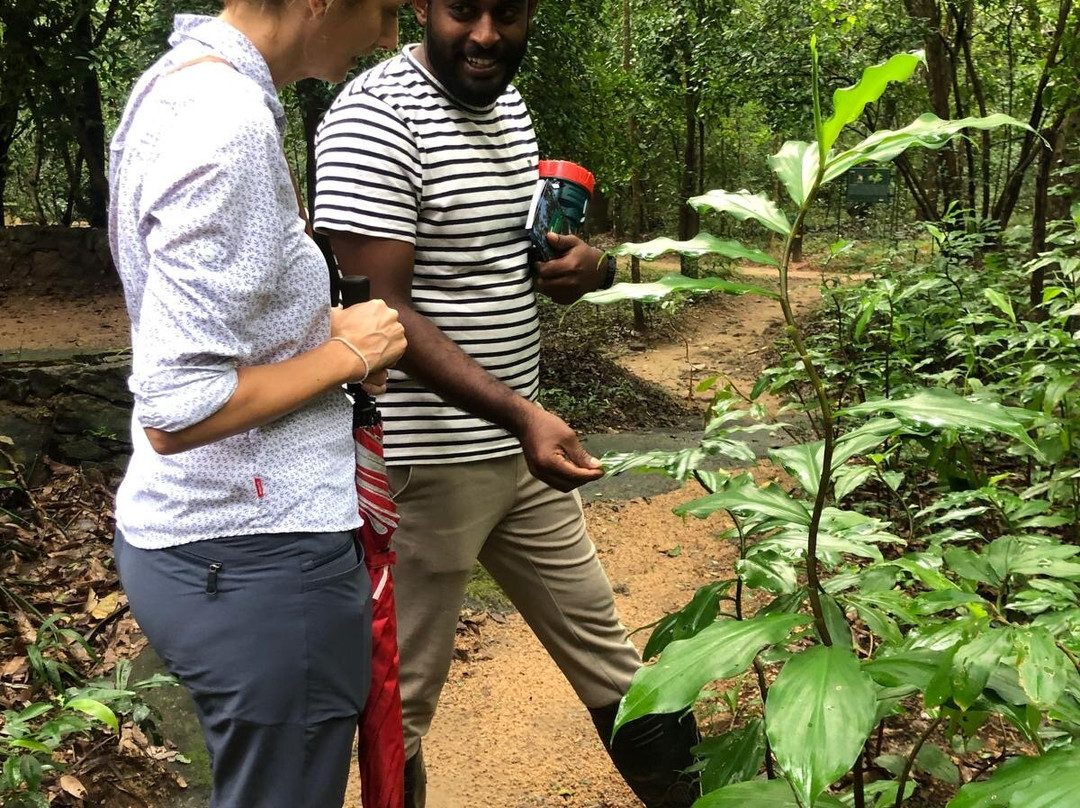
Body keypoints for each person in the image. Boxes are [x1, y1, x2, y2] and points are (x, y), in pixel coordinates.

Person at [313, 1, 699, 805]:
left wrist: (590, 270)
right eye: (463, 8)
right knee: (400, 706)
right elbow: (380, 317)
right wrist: (521, 415)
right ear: (421, 5)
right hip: (422, 469)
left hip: (523, 453)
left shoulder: (505, 104)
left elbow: (505, 260)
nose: (486, 34)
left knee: (618, 670)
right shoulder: (373, 118)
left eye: (509, 10)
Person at [107, 1, 408, 806]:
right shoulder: (228, 127)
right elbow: (180, 407)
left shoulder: (180, 85)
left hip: (209, 547)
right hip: (258, 557)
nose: (388, 37)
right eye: (383, 11)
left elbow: (218, 325)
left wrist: (320, 334)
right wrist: (349, 353)